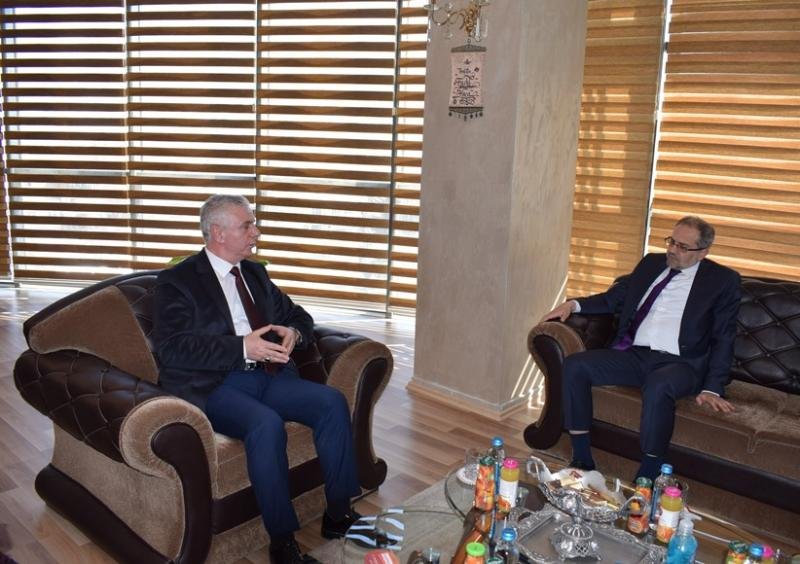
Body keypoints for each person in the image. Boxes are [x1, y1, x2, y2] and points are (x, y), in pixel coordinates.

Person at [153, 194, 361, 564]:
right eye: (247, 225)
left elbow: (298, 315)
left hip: (269, 374)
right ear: (218, 233)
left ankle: (338, 514)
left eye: (253, 224)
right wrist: (241, 347)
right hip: (216, 384)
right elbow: (171, 348)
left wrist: (294, 333)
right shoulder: (177, 281)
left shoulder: (254, 274)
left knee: (331, 401)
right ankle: (282, 541)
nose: (256, 232)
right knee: (266, 425)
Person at [541, 215, 740, 480]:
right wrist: (573, 305)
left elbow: (724, 336)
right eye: (671, 241)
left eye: (682, 246)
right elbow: (614, 299)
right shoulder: (651, 263)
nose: (672, 250)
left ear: (703, 252)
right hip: (636, 355)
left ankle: (649, 473)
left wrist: (712, 387)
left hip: (681, 363)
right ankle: (582, 458)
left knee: (659, 386)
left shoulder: (722, 280)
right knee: (576, 365)